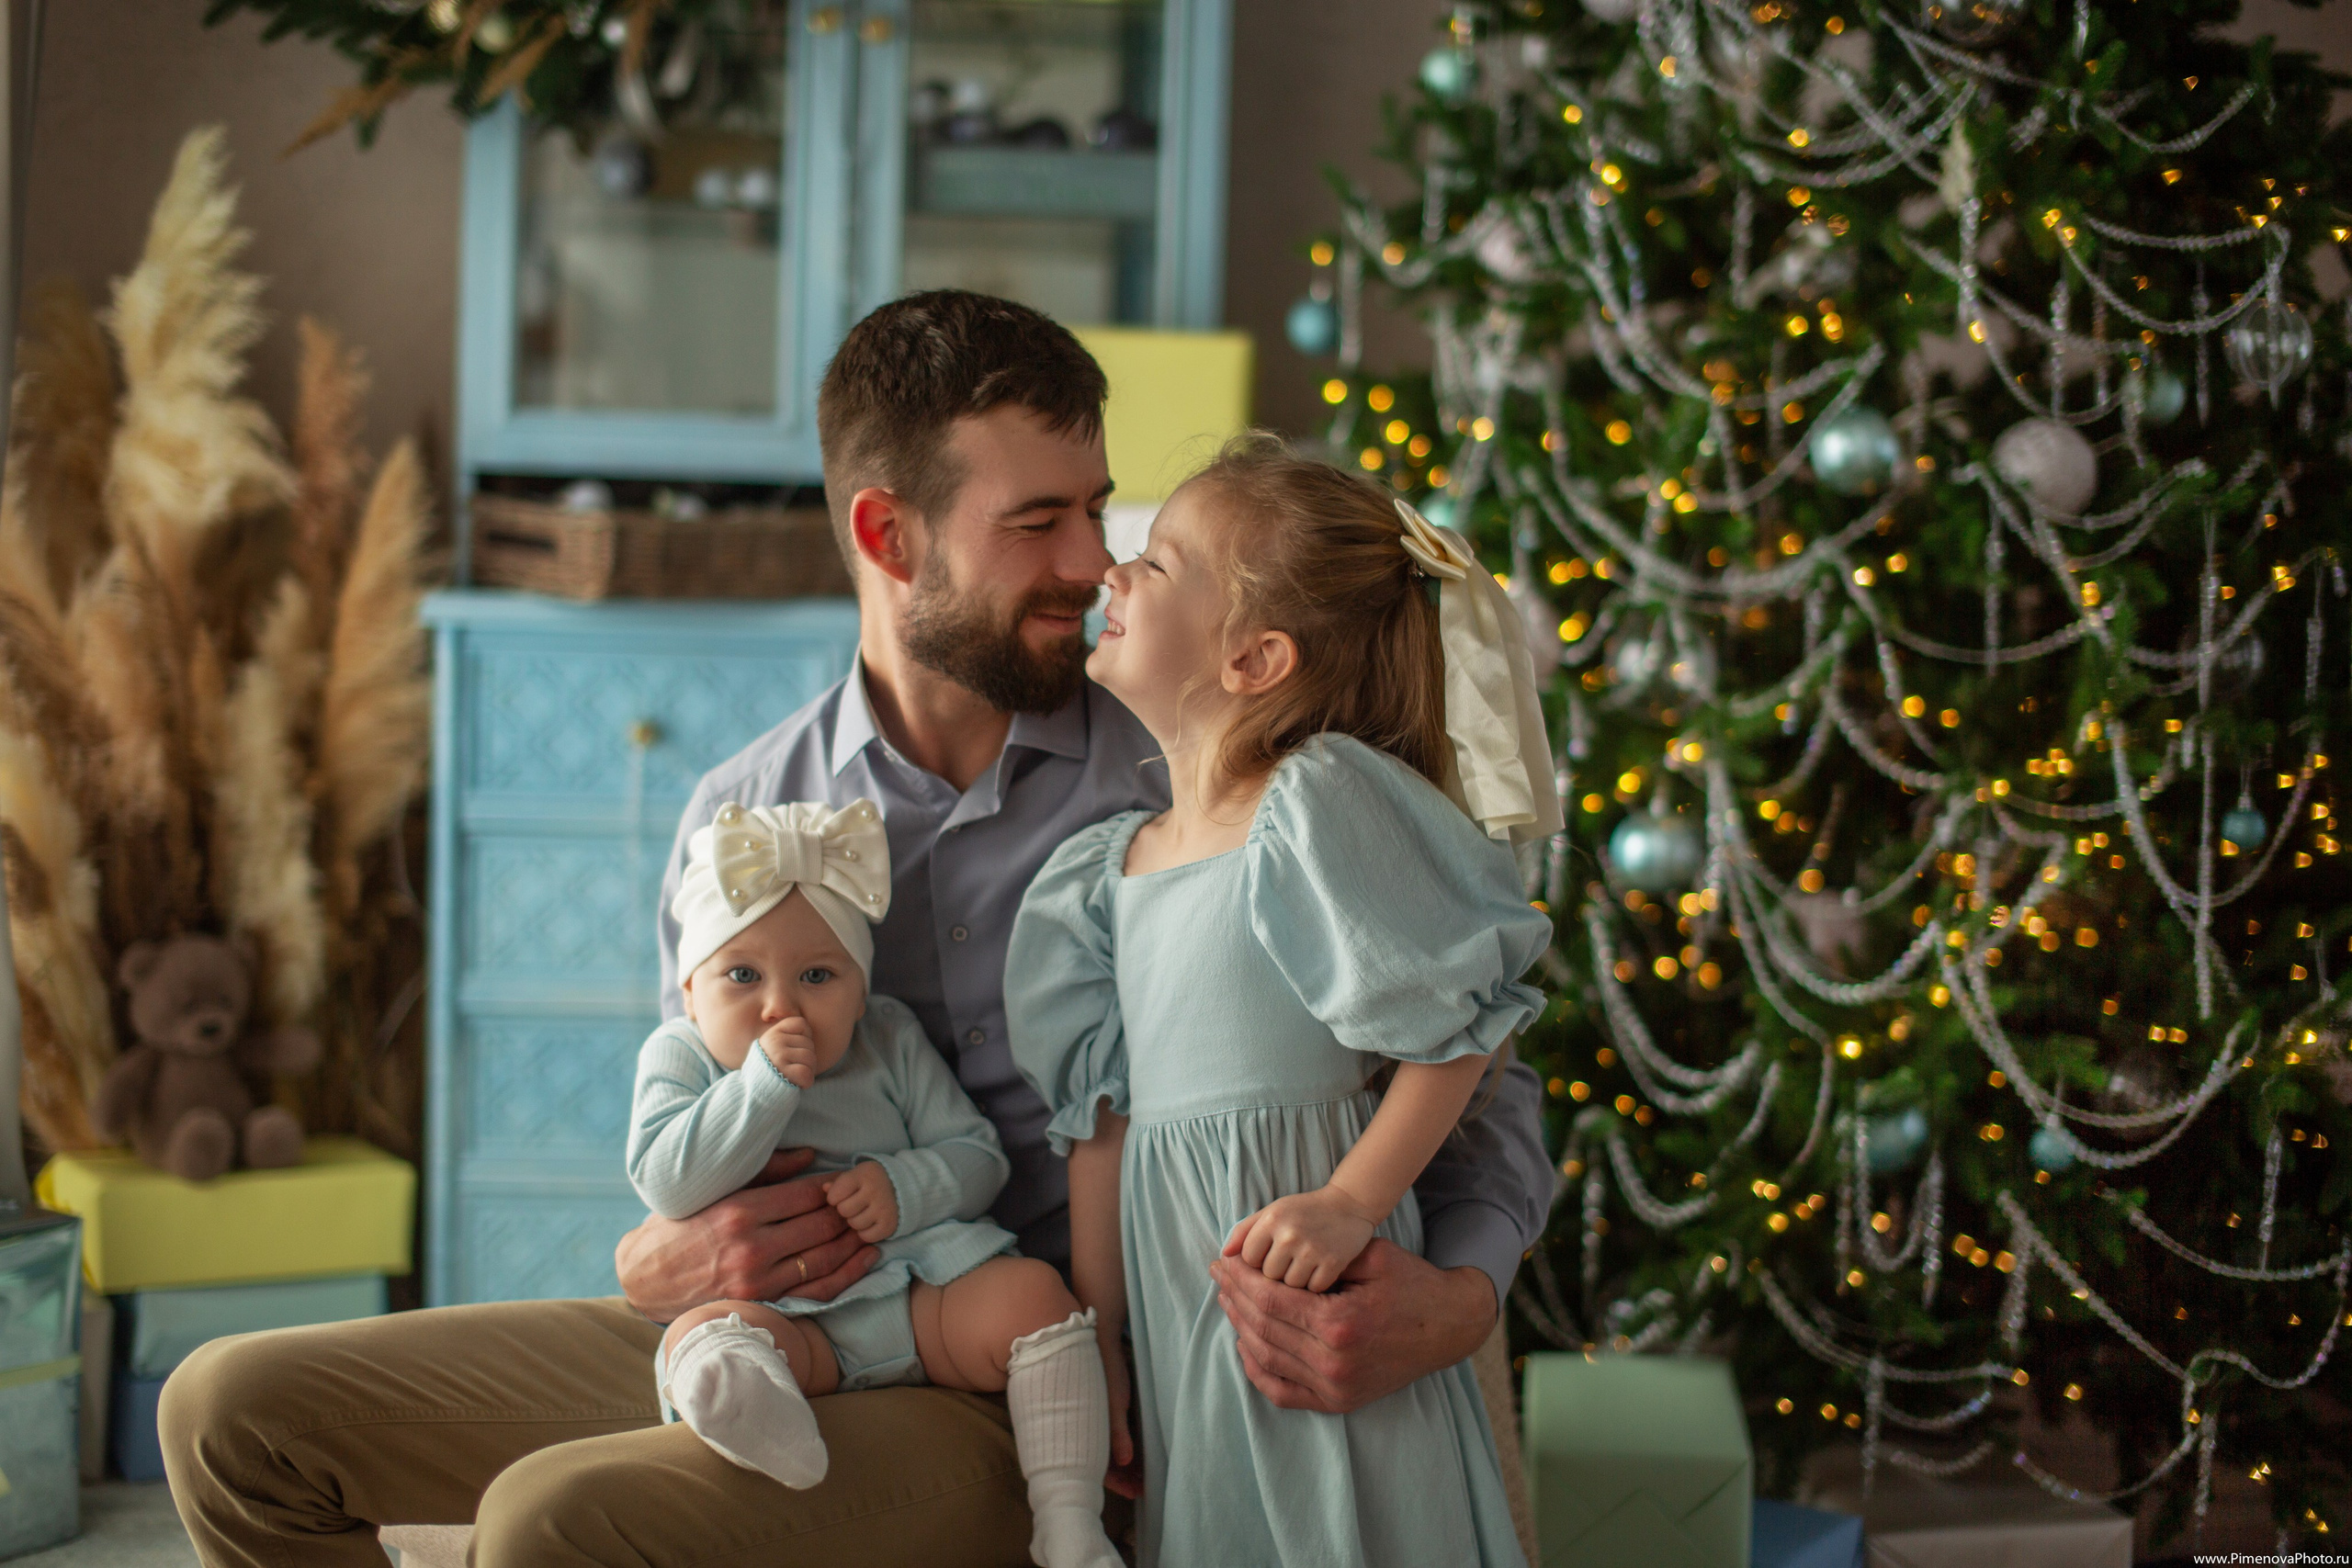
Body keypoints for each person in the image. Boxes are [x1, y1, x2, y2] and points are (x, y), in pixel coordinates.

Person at [158, 290, 1555, 1565]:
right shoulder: (748, 814)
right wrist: (661, 1254)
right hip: (781, 1331)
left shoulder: (1203, 763)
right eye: (1036, 523)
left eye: (1100, 508)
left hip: (1028, 1365)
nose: (1090, 560)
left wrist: (1458, 1295)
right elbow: (693, 1134)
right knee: (232, 1413)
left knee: (551, 1530)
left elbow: (1459, 1056)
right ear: (889, 534)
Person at [1008, 439, 1557, 1566]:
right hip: (1178, 1302)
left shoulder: (1315, 803)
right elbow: (1100, 1128)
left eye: (1157, 563)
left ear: (1255, 658)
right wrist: (1103, 1338)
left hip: (1312, 1275)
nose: (1116, 571)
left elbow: (1462, 1026)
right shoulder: (1107, 873)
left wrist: (1354, 1201)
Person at [633, 797, 1119, 1567]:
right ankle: (765, 1422)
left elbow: (978, 1154)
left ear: (860, 991)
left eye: (818, 975)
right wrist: (759, 1091)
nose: (779, 1004)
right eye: (741, 974)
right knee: (707, 1339)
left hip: (925, 1297)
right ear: (691, 990)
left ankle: (1069, 1520)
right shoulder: (682, 1055)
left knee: (1036, 1297)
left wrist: (906, 1185)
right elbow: (667, 1183)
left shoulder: (886, 1036)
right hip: (790, 1322)